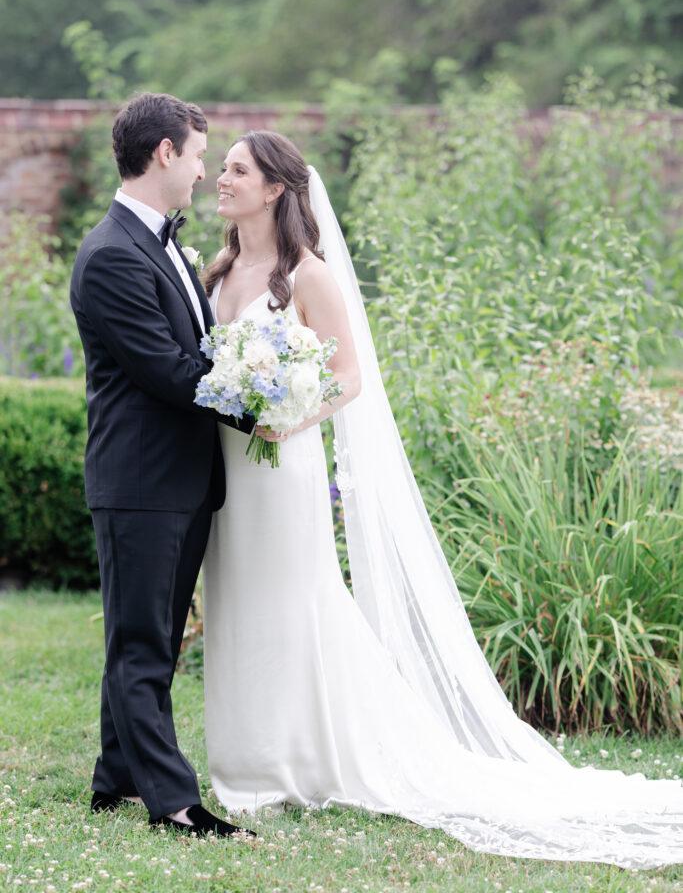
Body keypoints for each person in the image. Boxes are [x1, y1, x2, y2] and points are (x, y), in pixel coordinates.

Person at [199, 129, 683, 868]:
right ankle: (242, 760)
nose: (221, 179)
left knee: (293, 605)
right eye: (222, 167)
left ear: (273, 189)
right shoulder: (215, 273)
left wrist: (288, 414)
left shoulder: (309, 277)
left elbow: (349, 377)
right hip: (227, 474)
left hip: (282, 466)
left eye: (236, 170)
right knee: (237, 602)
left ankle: (289, 763)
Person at [70, 91, 254, 839]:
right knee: (143, 645)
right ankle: (174, 804)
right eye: (201, 154)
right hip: (140, 483)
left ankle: (115, 778)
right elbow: (168, 371)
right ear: (165, 153)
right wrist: (260, 402)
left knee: (151, 637)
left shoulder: (163, 244)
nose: (205, 170)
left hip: (176, 482)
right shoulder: (113, 254)